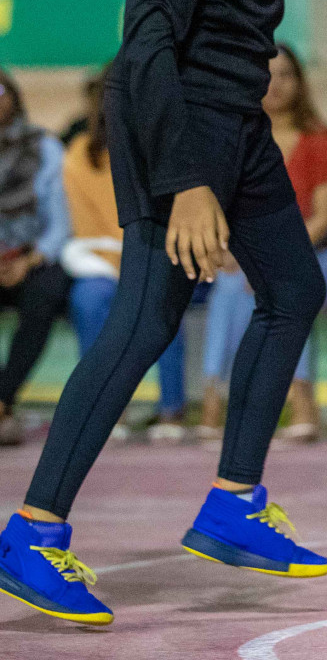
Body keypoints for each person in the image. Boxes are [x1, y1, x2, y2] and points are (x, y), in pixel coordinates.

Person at [0, 0, 327, 626]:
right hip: (169, 114)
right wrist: (185, 180)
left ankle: (233, 505)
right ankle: (33, 530)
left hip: (235, 118)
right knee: (144, 323)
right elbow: (146, 38)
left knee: (293, 290)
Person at [200, 44, 327, 443]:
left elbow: (322, 219)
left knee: (288, 287)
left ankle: (300, 402)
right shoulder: (236, 140)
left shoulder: (320, 141)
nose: (276, 83)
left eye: (286, 73)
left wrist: (270, 261)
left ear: (300, 82)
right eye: (267, 73)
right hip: (251, 260)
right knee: (231, 285)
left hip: (324, 256)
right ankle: (215, 398)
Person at [61, 66, 192, 443]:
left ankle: (172, 410)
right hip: (101, 262)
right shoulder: (79, 156)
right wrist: (123, 266)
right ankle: (103, 409)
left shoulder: (163, 149)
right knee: (89, 299)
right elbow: (86, 229)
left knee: (163, 299)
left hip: (159, 256)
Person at [0, 69, 72, 447]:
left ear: (13, 96)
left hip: (29, 256)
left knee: (47, 293)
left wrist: (26, 261)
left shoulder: (43, 146)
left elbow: (59, 223)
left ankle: (3, 399)